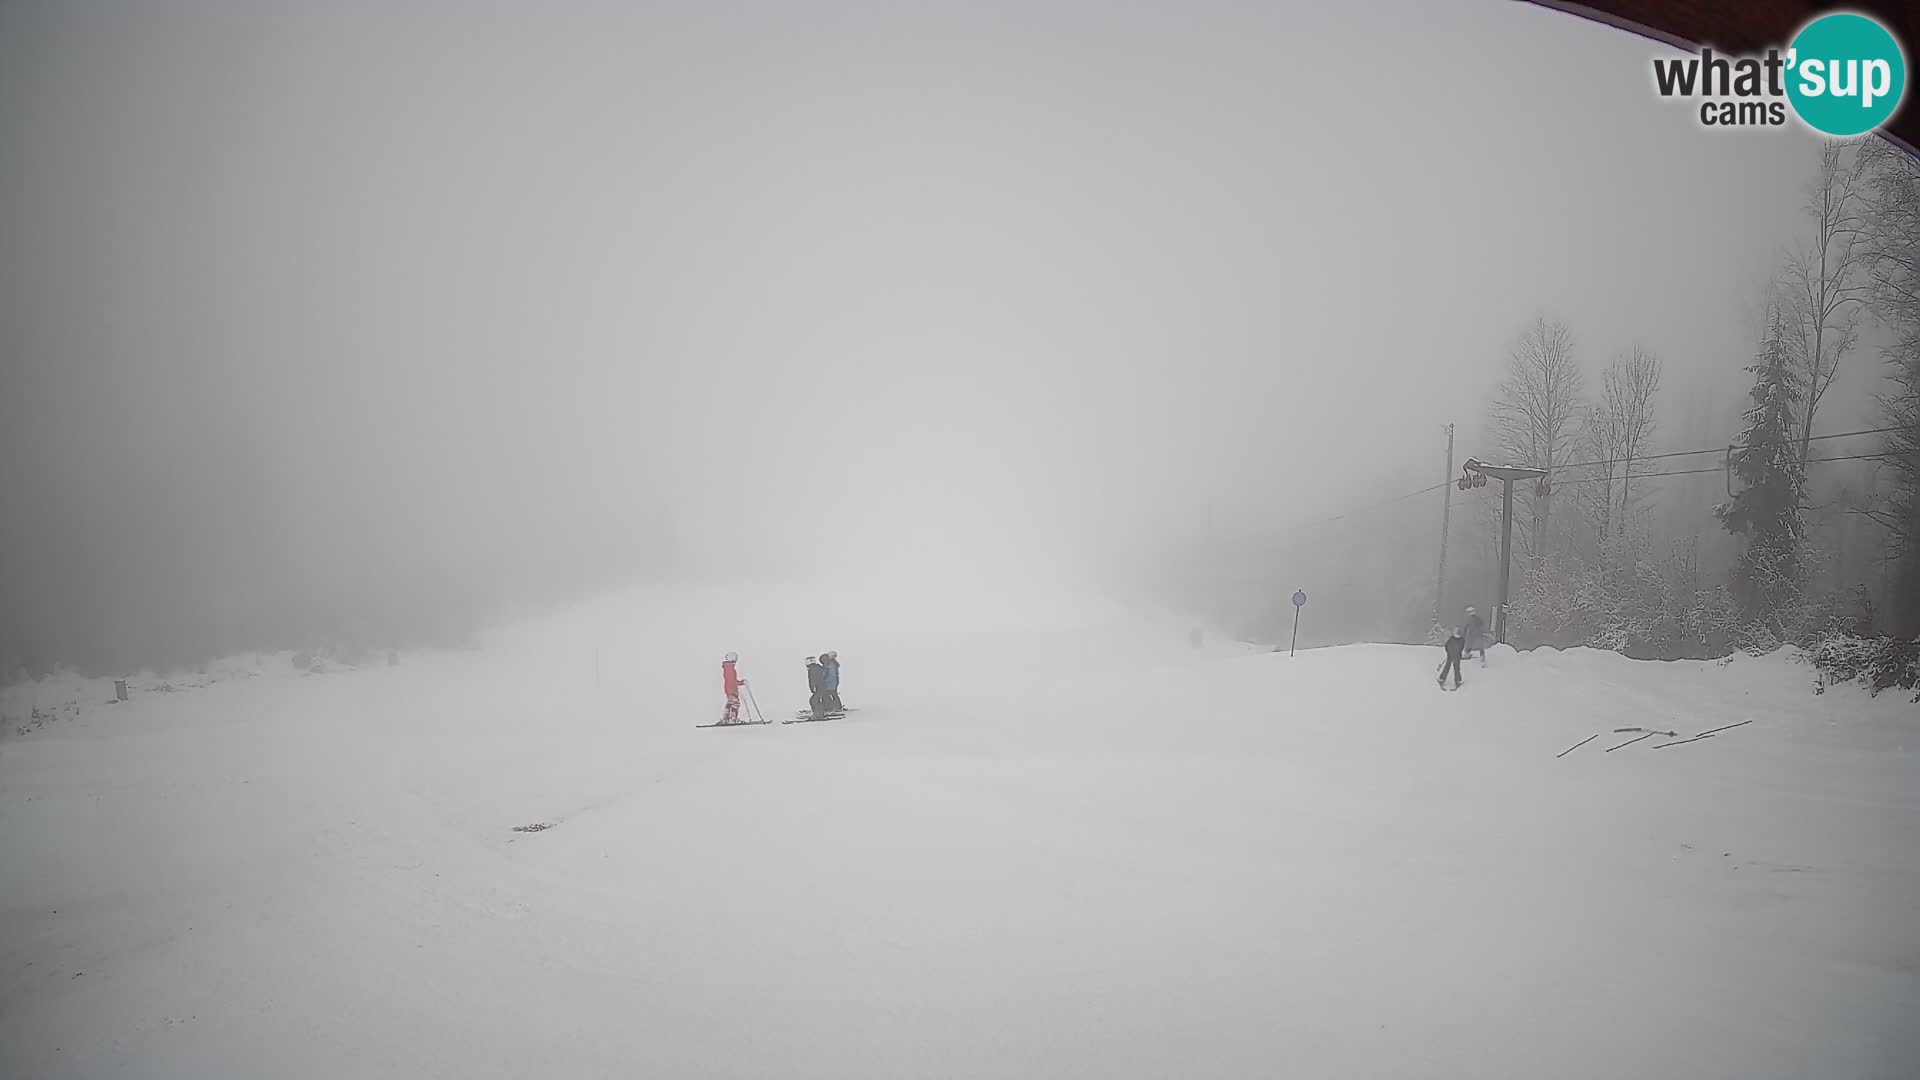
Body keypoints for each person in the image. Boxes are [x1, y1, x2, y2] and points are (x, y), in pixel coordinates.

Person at [720, 652, 748, 724]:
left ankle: (725, 719)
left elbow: (731, 680)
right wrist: (741, 682)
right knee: (735, 704)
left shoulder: (728, 668)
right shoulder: (730, 669)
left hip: (729, 689)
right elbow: (732, 681)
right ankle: (733, 719)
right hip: (732, 689)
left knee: (730, 704)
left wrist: (740, 682)